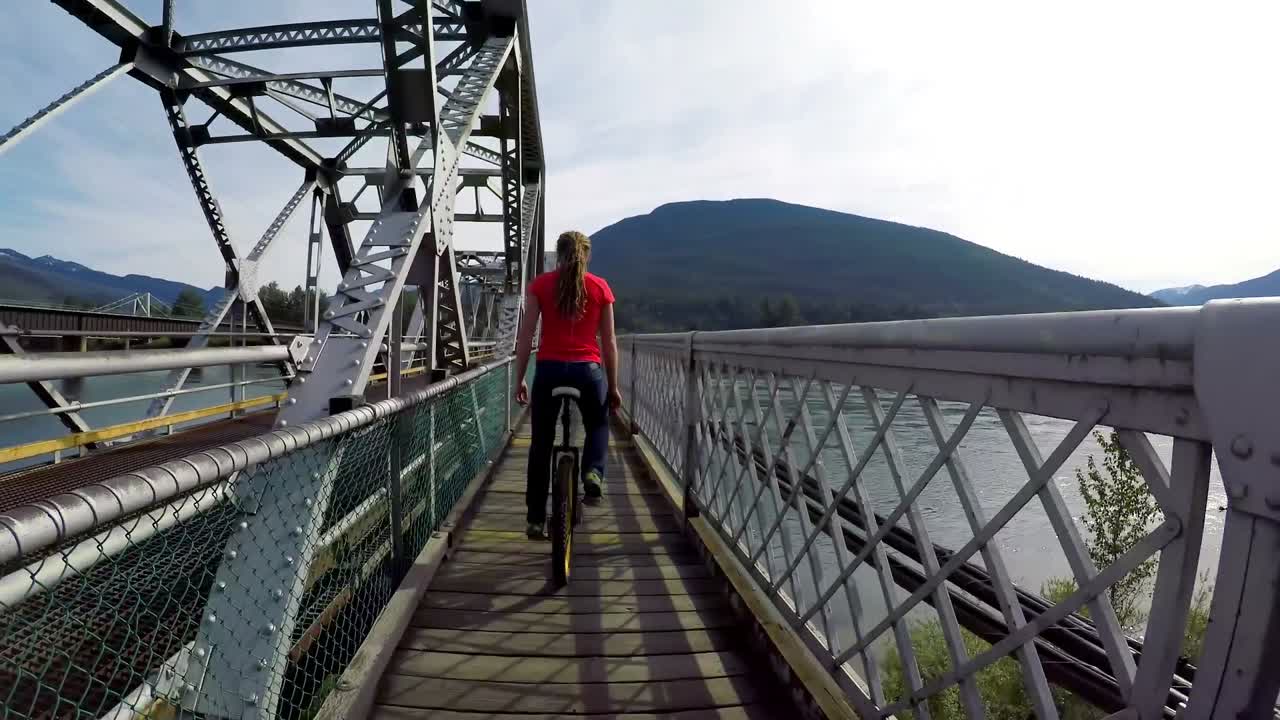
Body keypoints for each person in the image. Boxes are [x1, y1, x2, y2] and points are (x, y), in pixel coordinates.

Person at [514, 230, 622, 540]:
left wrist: (521, 377)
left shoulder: (541, 285)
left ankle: (535, 519)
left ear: (557, 254)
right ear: (587, 255)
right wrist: (612, 387)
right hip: (587, 372)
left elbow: (525, 338)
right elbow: (610, 343)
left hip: (548, 371)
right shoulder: (600, 287)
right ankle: (592, 472)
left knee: (541, 444)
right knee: (599, 424)